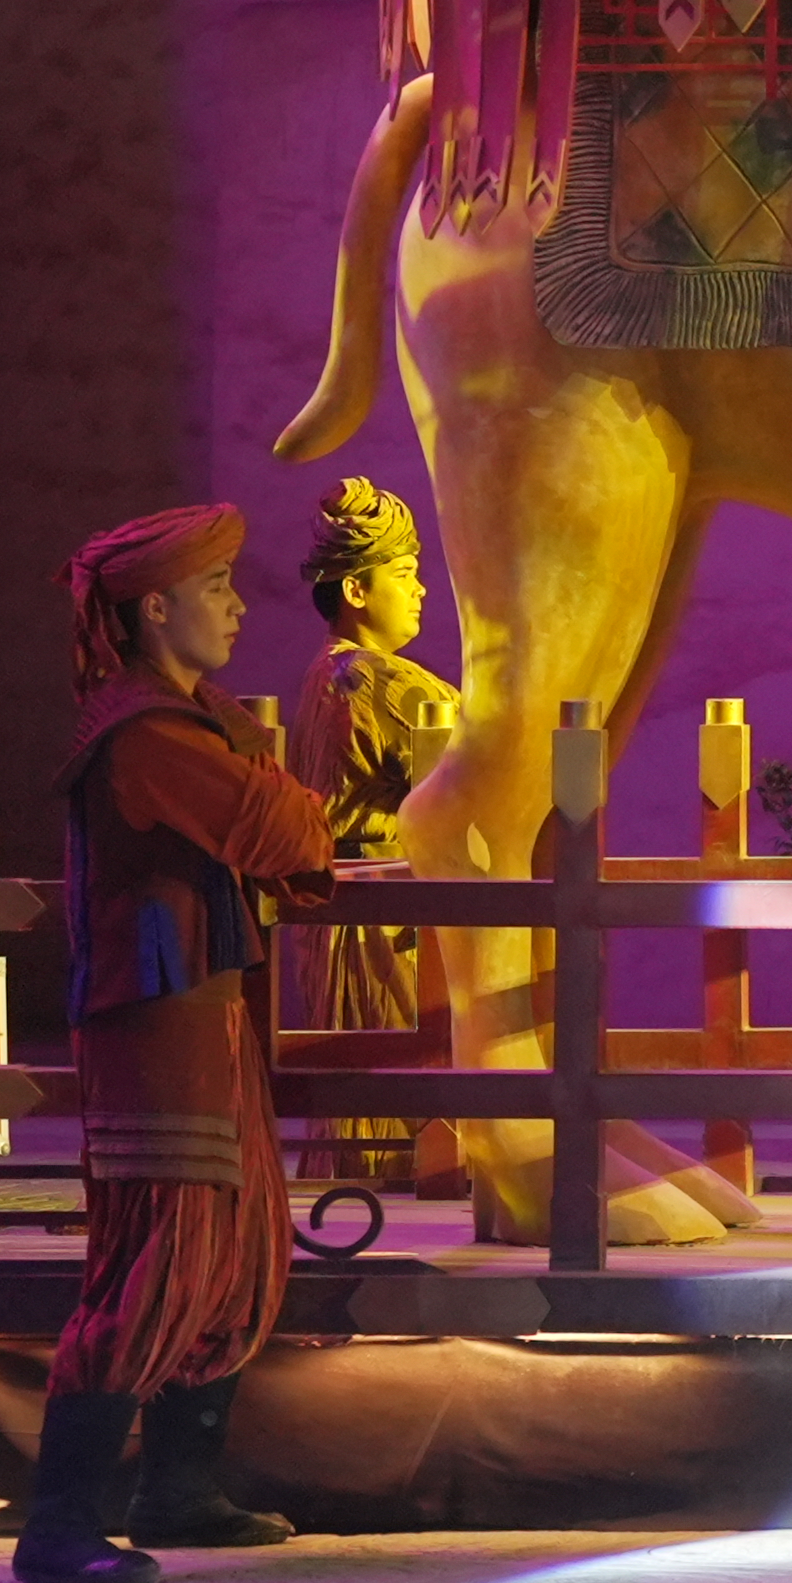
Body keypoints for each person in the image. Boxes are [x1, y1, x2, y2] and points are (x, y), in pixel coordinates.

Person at [21, 503, 336, 1583]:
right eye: (218, 588)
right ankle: (58, 1525)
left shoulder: (184, 723)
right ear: (156, 608)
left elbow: (281, 818)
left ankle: (179, 1488)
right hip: (158, 1032)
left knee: (239, 1250)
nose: (241, 605)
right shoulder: (147, 737)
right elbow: (292, 830)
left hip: (207, 1016)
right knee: (158, 1262)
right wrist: (282, 796)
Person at [278, 478, 446, 1181]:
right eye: (403, 575)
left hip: (338, 902)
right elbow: (486, 777)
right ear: (355, 591)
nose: (421, 591)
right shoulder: (380, 680)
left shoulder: (324, 675)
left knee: (358, 1082)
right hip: (384, 911)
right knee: (399, 1077)